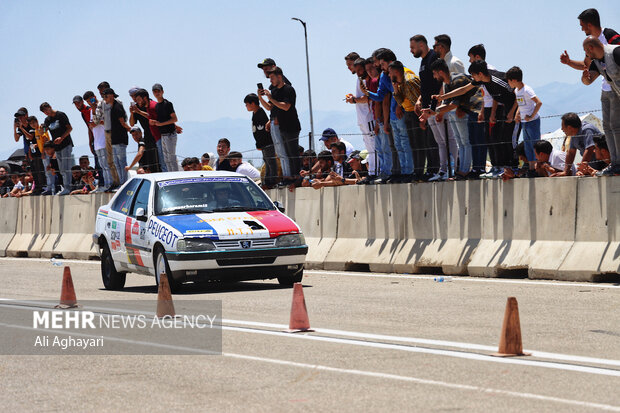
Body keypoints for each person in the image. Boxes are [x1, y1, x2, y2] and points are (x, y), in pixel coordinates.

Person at [561, 8, 620, 176]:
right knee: (608, 127)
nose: (581, 29)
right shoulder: (590, 44)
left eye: (582, 25)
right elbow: (588, 67)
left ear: (588, 24)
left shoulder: (611, 37)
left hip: (616, 89)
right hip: (605, 88)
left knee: (616, 127)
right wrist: (569, 62)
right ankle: (615, 162)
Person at [434, 60, 517, 178]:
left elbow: (517, 93)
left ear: (480, 74)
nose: (472, 77)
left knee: (507, 139)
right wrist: (443, 97)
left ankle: (512, 168)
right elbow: (464, 89)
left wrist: (513, 112)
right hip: (501, 108)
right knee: (494, 139)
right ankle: (499, 168)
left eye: (473, 75)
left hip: (514, 108)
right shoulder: (482, 79)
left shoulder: (499, 80)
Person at [429, 59, 483, 179]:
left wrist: (436, 110)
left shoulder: (457, 79)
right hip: (464, 112)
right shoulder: (447, 83)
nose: (434, 76)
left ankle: (465, 170)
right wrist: (432, 111)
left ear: (441, 72)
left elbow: (454, 104)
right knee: (461, 142)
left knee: (465, 142)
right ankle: (461, 170)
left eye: (434, 73)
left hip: (472, 111)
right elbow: (447, 103)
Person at [581, 36, 620, 176]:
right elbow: (588, 80)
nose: (586, 55)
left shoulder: (615, 52)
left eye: (586, 51)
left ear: (590, 48)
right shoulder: (596, 61)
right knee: (610, 127)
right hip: (617, 95)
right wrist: (585, 78)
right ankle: (616, 164)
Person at [258, 66, 302, 184]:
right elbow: (270, 107)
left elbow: (286, 106)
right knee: (285, 153)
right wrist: (261, 98)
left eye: (272, 77)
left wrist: (271, 98)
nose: (271, 80)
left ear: (279, 76)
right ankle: (288, 178)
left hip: (291, 126)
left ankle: (296, 177)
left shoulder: (289, 89)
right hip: (282, 127)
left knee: (293, 153)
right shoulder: (275, 92)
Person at [363, 48, 401, 183]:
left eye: (374, 66)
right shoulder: (380, 79)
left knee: (388, 148)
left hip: (386, 117)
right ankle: (386, 172)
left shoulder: (379, 79)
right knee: (381, 148)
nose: (373, 68)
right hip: (382, 118)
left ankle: (389, 172)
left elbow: (382, 102)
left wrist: (382, 121)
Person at [410, 35, 441, 180]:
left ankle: (437, 170)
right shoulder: (423, 61)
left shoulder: (433, 57)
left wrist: (434, 107)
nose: (411, 51)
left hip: (435, 106)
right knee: (429, 140)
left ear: (421, 45)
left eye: (413, 47)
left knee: (437, 140)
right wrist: (419, 100)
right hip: (426, 106)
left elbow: (437, 83)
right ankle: (430, 170)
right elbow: (425, 86)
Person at [344, 53, 377, 181]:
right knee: (369, 146)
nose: (349, 68)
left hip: (369, 116)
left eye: (350, 65)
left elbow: (368, 97)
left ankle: (375, 172)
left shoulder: (365, 78)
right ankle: (372, 171)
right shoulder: (359, 79)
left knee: (373, 146)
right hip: (362, 118)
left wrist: (354, 100)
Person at [389, 60, 421, 182]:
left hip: (416, 113)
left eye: (390, 72)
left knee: (419, 145)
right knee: (412, 144)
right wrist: (395, 89)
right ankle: (409, 171)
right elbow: (400, 101)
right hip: (408, 112)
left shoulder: (409, 81)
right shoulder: (400, 82)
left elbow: (419, 97)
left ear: (396, 71)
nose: (389, 75)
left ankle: (416, 171)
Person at [506, 66, 542, 171]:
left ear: (514, 80)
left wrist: (531, 115)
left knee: (535, 144)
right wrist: (517, 114)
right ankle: (531, 168)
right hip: (524, 122)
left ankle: (537, 168)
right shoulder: (517, 91)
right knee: (527, 145)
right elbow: (519, 103)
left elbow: (539, 102)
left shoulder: (527, 90)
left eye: (509, 81)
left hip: (533, 121)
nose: (509, 83)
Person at [467, 44, 493, 175]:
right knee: (474, 140)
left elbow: (492, 96)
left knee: (483, 140)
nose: (470, 61)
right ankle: (476, 167)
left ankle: (482, 167)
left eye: (471, 58)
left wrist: (486, 112)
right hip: (479, 110)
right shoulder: (477, 74)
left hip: (491, 110)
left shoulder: (489, 72)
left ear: (477, 57)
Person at [40, 102, 74, 195]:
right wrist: (42, 129)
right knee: (61, 168)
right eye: (44, 112)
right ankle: (65, 186)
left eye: (46, 110)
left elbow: (70, 128)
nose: (46, 112)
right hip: (57, 147)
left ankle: (68, 187)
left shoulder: (60, 115)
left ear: (50, 107)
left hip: (66, 143)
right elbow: (44, 131)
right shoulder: (47, 120)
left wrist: (62, 138)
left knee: (66, 167)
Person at [244, 93, 277, 188]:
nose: (246, 106)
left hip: (267, 143)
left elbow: (263, 131)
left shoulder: (261, 114)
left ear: (253, 103)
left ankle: (272, 181)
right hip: (262, 144)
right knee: (266, 161)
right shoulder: (254, 114)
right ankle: (267, 181)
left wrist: (262, 143)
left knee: (271, 161)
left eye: (247, 104)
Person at [553, 112, 600, 176]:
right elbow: (571, 153)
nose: (562, 129)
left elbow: (589, 149)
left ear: (569, 127)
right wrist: (565, 172)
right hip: (590, 166)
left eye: (563, 126)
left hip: (601, 164)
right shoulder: (574, 135)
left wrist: (581, 170)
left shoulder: (587, 130)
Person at [84, 91, 113, 192]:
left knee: (107, 164)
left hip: (104, 140)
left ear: (95, 97)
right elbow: (92, 124)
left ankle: (110, 183)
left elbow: (107, 121)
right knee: (102, 166)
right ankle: (106, 184)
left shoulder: (102, 106)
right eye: (88, 101)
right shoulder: (92, 110)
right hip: (97, 141)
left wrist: (97, 123)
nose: (90, 102)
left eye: (91, 99)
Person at [102, 88, 130, 185]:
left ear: (112, 96)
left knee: (122, 162)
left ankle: (125, 183)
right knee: (117, 163)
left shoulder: (118, 107)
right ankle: (122, 183)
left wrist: (130, 129)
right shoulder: (111, 107)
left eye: (106, 96)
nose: (104, 98)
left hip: (120, 138)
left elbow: (123, 122)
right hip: (114, 139)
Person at [130, 89, 160, 173]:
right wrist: (132, 113)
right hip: (148, 135)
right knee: (151, 161)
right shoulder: (137, 107)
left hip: (157, 134)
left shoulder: (152, 105)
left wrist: (139, 112)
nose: (135, 99)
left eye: (137, 97)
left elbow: (153, 117)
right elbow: (132, 124)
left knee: (158, 159)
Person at [96, 81, 121, 187]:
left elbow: (121, 117)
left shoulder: (118, 102)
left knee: (119, 159)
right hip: (107, 133)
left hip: (117, 132)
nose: (101, 93)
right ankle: (114, 182)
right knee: (109, 160)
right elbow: (96, 119)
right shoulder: (100, 103)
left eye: (102, 90)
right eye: (100, 91)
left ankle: (122, 182)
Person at [150, 83, 179, 172]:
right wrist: (155, 122)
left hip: (170, 134)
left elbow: (174, 118)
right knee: (166, 159)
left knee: (171, 157)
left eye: (158, 91)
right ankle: (171, 175)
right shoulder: (157, 106)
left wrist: (161, 124)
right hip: (163, 135)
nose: (156, 93)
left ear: (162, 92)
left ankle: (175, 176)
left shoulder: (168, 104)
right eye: (155, 91)